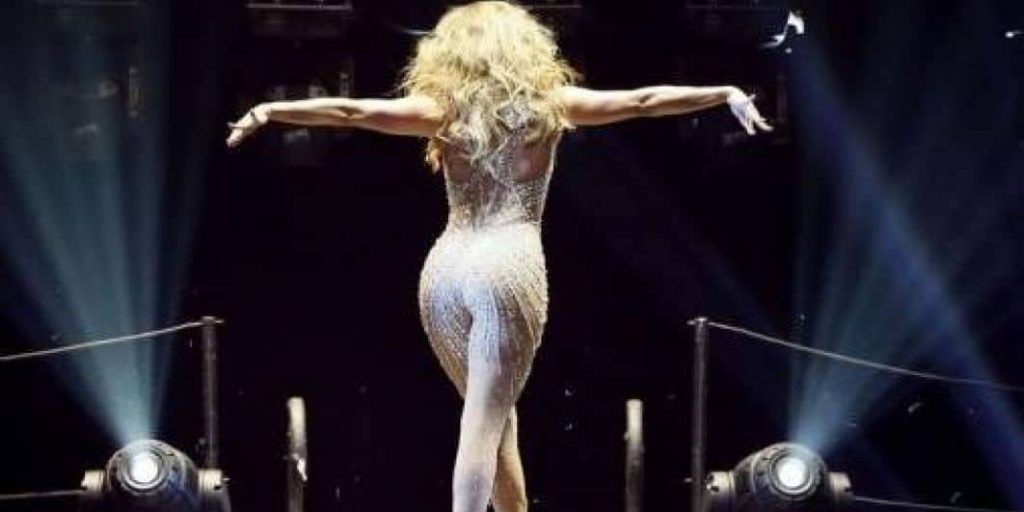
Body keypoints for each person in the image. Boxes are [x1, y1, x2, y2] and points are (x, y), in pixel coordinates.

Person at [226, 2, 771, 512]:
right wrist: (724, 92)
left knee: (494, 416)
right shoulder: (549, 106)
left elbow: (351, 110)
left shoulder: (442, 112)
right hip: (507, 263)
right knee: (484, 421)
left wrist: (270, 109)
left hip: (445, 270)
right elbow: (642, 101)